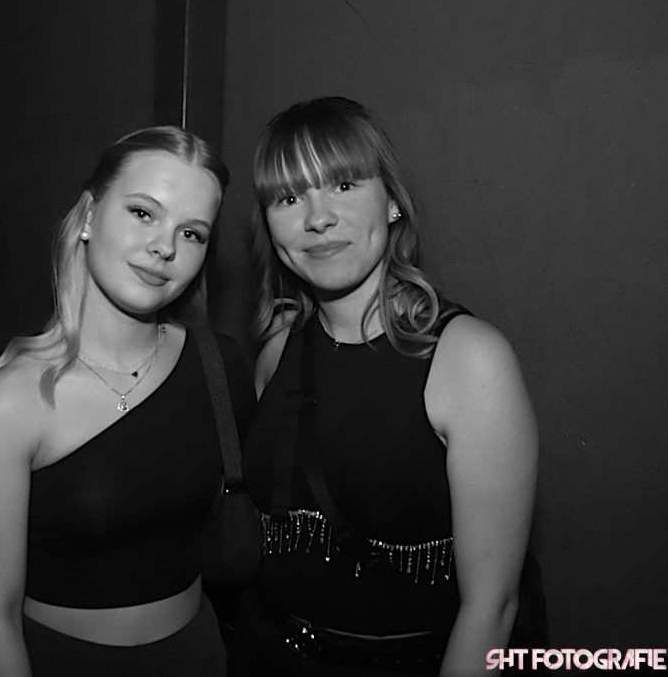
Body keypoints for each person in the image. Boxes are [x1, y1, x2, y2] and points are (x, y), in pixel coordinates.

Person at [230, 97, 539, 676]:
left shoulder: (469, 360)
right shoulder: (277, 348)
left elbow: (492, 609)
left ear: (392, 201)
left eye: (344, 185)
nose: (317, 218)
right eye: (288, 198)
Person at [0, 126, 254, 676]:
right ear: (90, 216)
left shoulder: (221, 366)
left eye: (192, 233)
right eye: (143, 213)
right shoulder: (10, 404)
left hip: (200, 655)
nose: (165, 247)